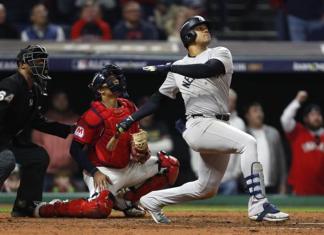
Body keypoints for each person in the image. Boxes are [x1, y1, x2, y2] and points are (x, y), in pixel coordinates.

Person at [116, 15, 289, 224]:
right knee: (248, 142)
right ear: (188, 35)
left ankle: (151, 200)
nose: (206, 30)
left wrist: (171, 66)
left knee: (206, 189)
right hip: (199, 125)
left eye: (206, 27)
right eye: (199, 28)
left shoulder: (220, 53)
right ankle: (259, 204)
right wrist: (129, 119)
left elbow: (207, 69)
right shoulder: (178, 67)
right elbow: (156, 101)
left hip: (218, 124)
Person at [34, 64, 179, 218]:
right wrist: (95, 172)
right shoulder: (92, 115)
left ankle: (127, 201)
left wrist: (141, 152)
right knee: (98, 208)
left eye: (116, 79)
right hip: (103, 170)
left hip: (127, 166)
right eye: (110, 80)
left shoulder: (129, 106)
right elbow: (74, 149)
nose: (115, 81)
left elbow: (134, 139)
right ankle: (50, 208)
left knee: (170, 165)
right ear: (100, 90)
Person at [0, 44, 72, 217]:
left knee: (37, 157)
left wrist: (70, 129)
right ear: (22, 64)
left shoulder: (34, 90)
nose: (42, 63)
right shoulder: (10, 85)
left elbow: (38, 122)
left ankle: (25, 205)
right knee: (6, 160)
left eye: (43, 60)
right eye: (37, 59)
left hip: (9, 141)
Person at [32, 90, 79, 191]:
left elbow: (84, 146)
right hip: (47, 174)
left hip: (71, 174)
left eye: (64, 99)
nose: (61, 102)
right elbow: (35, 147)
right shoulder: (43, 121)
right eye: (58, 98)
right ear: (52, 100)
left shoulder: (77, 121)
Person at [280, 91, 324, 195]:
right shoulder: (298, 132)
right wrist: (297, 101)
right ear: (305, 119)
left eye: (318, 114)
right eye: (312, 114)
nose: (316, 117)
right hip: (300, 191)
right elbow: (285, 119)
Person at [245, 102, 287, 194]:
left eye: (260, 111)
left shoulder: (273, 133)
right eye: (255, 111)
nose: (259, 114)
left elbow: (281, 161)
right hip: (249, 187)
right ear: (247, 116)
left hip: (272, 186)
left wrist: (283, 184)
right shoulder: (243, 134)